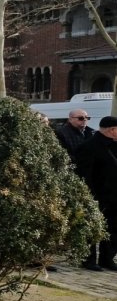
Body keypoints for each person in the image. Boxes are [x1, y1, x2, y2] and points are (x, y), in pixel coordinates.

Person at [56, 108, 99, 270]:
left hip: (89, 179)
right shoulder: (62, 133)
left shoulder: (90, 133)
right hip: (72, 179)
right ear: (71, 119)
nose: (84, 121)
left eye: (87, 118)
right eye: (80, 118)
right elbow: (64, 156)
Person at [81, 116, 117, 272]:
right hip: (97, 196)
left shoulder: (115, 145)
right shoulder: (88, 147)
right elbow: (85, 175)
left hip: (114, 196)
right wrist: (90, 197)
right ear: (112, 130)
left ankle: (107, 258)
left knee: (113, 229)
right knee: (91, 229)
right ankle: (88, 259)